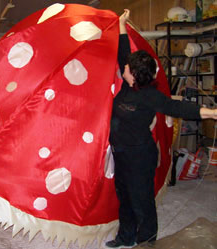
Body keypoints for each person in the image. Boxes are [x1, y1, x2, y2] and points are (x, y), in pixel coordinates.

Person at [105, 9, 217, 249]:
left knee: (141, 201)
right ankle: (125, 237)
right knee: (124, 198)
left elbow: (180, 109)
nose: (122, 68)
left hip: (140, 156)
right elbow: (123, 50)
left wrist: (211, 112)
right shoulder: (127, 85)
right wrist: (122, 23)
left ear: (134, 75)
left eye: (127, 68)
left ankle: (146, 241)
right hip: (121, 153)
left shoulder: (150, 96)